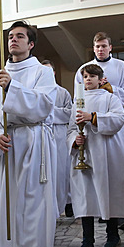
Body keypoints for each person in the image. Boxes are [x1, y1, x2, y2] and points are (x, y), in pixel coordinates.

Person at [0, 21, 57, 247]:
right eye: (10, 36)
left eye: (20, 36)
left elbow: (44, 104)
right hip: (7, 147)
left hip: (33, 143)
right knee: (8, 206)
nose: (13, 40)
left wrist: (13, 87)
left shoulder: (42, 73)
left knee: (33, 206)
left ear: (31, 44)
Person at [67, 64, 124, 247]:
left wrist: (93, 118)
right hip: (86, 156)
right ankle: (87, 242)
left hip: (107, 154)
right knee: (85, 198)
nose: (87, 79)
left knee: (109, 193)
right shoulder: (77, 102)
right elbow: (71, 128)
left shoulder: (110, 98)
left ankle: (112, 236)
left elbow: (118, 120)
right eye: (85, 76)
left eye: (91, 76)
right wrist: (75, 140)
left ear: (101, 79)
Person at [41, 59, 73, 217]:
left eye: (49, 70)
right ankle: (48, 206)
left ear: (53, 72)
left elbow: (69, 113)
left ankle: (67, 202)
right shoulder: (37, 91)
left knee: (62, 169)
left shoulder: (63, 92)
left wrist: (49, 111)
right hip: (42, 133)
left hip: (59, 132)